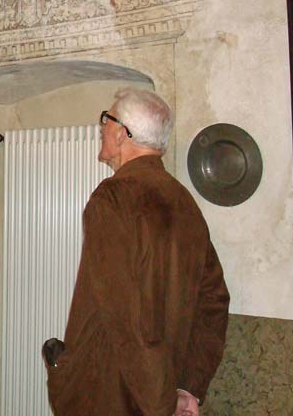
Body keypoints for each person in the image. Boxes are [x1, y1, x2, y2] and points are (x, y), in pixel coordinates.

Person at [45, 88, 230, 416]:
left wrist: (161, 402)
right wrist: (188, 387)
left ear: (122, 133)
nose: (102, 127)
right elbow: (214, 302)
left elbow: (124, 314)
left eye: (107, 119)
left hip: (115, 392)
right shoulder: (183, 201)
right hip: (161, 385)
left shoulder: (113, 198)